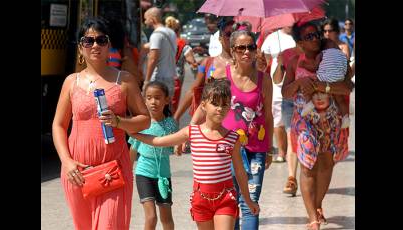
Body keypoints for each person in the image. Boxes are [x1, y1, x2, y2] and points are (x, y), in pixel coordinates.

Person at [52, 17, 150, 230]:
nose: (95, 45)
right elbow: (59, 125)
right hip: (77, 173)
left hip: (112, 171)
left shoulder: (124, 80)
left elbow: (144, 119)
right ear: (80, 47)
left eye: (101, 40)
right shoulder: (71, 81)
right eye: (88, 41)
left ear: (109, 46)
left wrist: (119, 121)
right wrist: (66, 161)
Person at [128, 79, 260, 230]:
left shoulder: (233, 138)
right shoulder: (192, 132)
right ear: (203, 105)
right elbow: (158, 141)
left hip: (225, 197)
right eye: (215, 103)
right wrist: (129, 131)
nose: (219, 109)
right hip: (201, 198)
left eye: (224, 105)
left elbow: (239, 170)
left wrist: (248, 200)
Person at [190, 27, 273, 230]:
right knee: (230, 200)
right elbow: (207, 104)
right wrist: (191, 130)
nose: (246, 52)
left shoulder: (264, 79)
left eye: (251, 47)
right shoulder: (221, 74)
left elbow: (268, 117)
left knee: (249, 201)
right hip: (226, 147)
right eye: (241, 48)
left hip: (255, 149)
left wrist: (269, 148)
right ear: (233, 50)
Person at [282, 21, 353, 230]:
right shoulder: (295, 61)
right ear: (300, 42)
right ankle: (312, 216)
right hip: (305, 122)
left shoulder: (333, 55)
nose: (315, 38)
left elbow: (348, 87)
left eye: (316, 34)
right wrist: (297, 84)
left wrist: (324, 86)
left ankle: (318, 204)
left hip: (330, 121)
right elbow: (285, 92)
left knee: (326, 164)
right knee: (307, 166)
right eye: (309, 36)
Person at [128, 81, 179, 230]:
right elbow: (133, 149)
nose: (153, 102)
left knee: (167, 219)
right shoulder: (142, 123)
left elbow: (177, 143)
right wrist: (126, 172)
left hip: (163, 176)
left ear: (167, 100)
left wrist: (178, 147)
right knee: (151, 217)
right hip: (143, 174)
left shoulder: (171, 124)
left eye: (157, 97)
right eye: (149, 98)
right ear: (144, 100)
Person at [173, 17, 236, 122]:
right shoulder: (206, 63)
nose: (232, 38)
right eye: (228, 34)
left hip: (235, 122)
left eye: (235, 35)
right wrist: (176, 117)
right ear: (220, 38)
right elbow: (193, 90)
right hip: (210, 122)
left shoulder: (244, 64)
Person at [261, 26, 296, 163]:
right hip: (277, 85)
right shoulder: (272, 38)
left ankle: (295, 151)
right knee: (278, 119)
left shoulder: (299, 35)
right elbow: (265, 60)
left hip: (297, 83)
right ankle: (282, 152)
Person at [299, 38, 350, 128]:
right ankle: (346, 117)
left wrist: (304, 65)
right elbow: (346, 68)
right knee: (340, 100)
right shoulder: (342, 54)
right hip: (339, 79)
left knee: (309, 83)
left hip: (325, 78)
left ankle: (309, 102)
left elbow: (314, 67)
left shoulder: (323, 53)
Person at [273, 45, 303, 196]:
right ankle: (292, 178)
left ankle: (308, 177)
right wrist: (280, 64)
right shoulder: (287, 53)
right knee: (292, 139)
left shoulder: (318, 51)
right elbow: (277, 80)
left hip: (311, 102)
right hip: (289, 101)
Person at [165, 16, 199, 112]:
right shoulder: (183, 44)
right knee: (172, 106)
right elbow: (192, 62)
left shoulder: (162, 41)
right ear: (179, 30)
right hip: (175, 78)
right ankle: (171, 125)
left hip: (160, 76)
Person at [143, 7, 177, 100]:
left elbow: (153, 58)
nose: (145, 22)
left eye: (146, 19)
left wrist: (147, 81)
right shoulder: (171, 32)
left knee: (155, 111)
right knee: (167, 109)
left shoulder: (156, 35)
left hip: (159, 79)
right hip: (170, 78)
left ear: (152, 19)